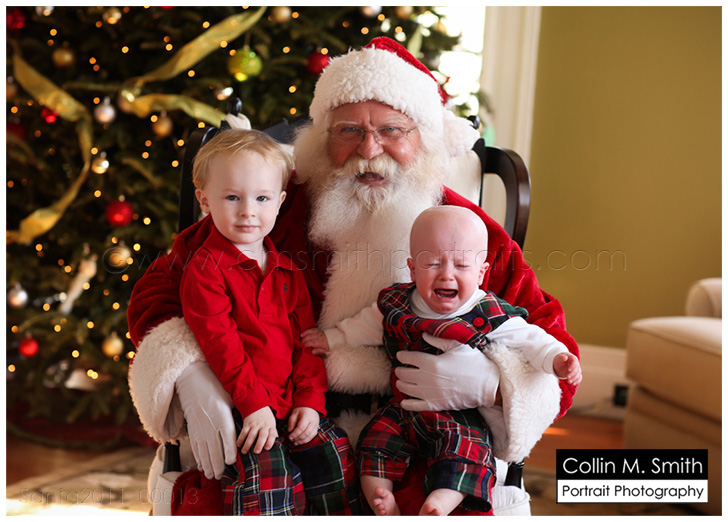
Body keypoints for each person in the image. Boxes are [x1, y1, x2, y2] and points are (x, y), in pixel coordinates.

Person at [127, 36, 579, 516]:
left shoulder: (462, 228)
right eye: (348, 130)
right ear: (323, 138)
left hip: (422, 440)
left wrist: (493, 385)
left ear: (423, 138)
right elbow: (157, 293)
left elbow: (552, 343)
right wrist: (191, 371)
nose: (369, 148)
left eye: (391, 129)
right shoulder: (269, 205)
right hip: (283, 414)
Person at [302, 206, 581, 515]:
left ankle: (439, 503)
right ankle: (381, 496)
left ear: (481, 272)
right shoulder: (397, 304)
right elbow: (363, 326)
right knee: (374, 441)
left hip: (460, 416)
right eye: (432, 263)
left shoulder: (488, 312)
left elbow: (531, 339)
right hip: (404, 409)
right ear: (412, 269)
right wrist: (332, 338)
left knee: (469, 455)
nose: (446, 274)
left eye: (461, 264)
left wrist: (557, 359)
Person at [177, 129, 361, 515]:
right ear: (204, 201)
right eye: (232, 198)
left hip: (290, 402)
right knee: (268, 477)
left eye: (261, 198)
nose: (248, 211)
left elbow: (308, 343)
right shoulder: (206, 270)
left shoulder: (288, 271)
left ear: (279, 202)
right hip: (242, 405)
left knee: (333, 451)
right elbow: (220, 344)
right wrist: (253, 404)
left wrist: (310, 401)